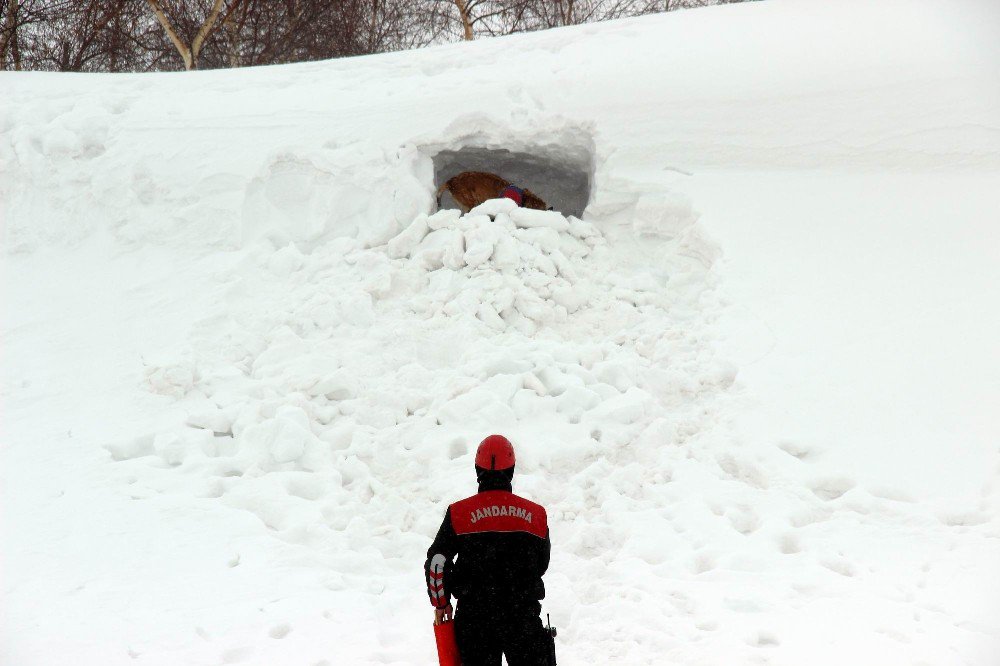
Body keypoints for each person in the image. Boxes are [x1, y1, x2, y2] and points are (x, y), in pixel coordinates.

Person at [424, 434, 551, 665]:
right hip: (522, 618)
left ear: (477, 469)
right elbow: (542, 564)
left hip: (474, 621)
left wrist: (441, 603)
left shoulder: (459, 513)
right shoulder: (536, 515)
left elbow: (437, 562)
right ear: (511, 470)